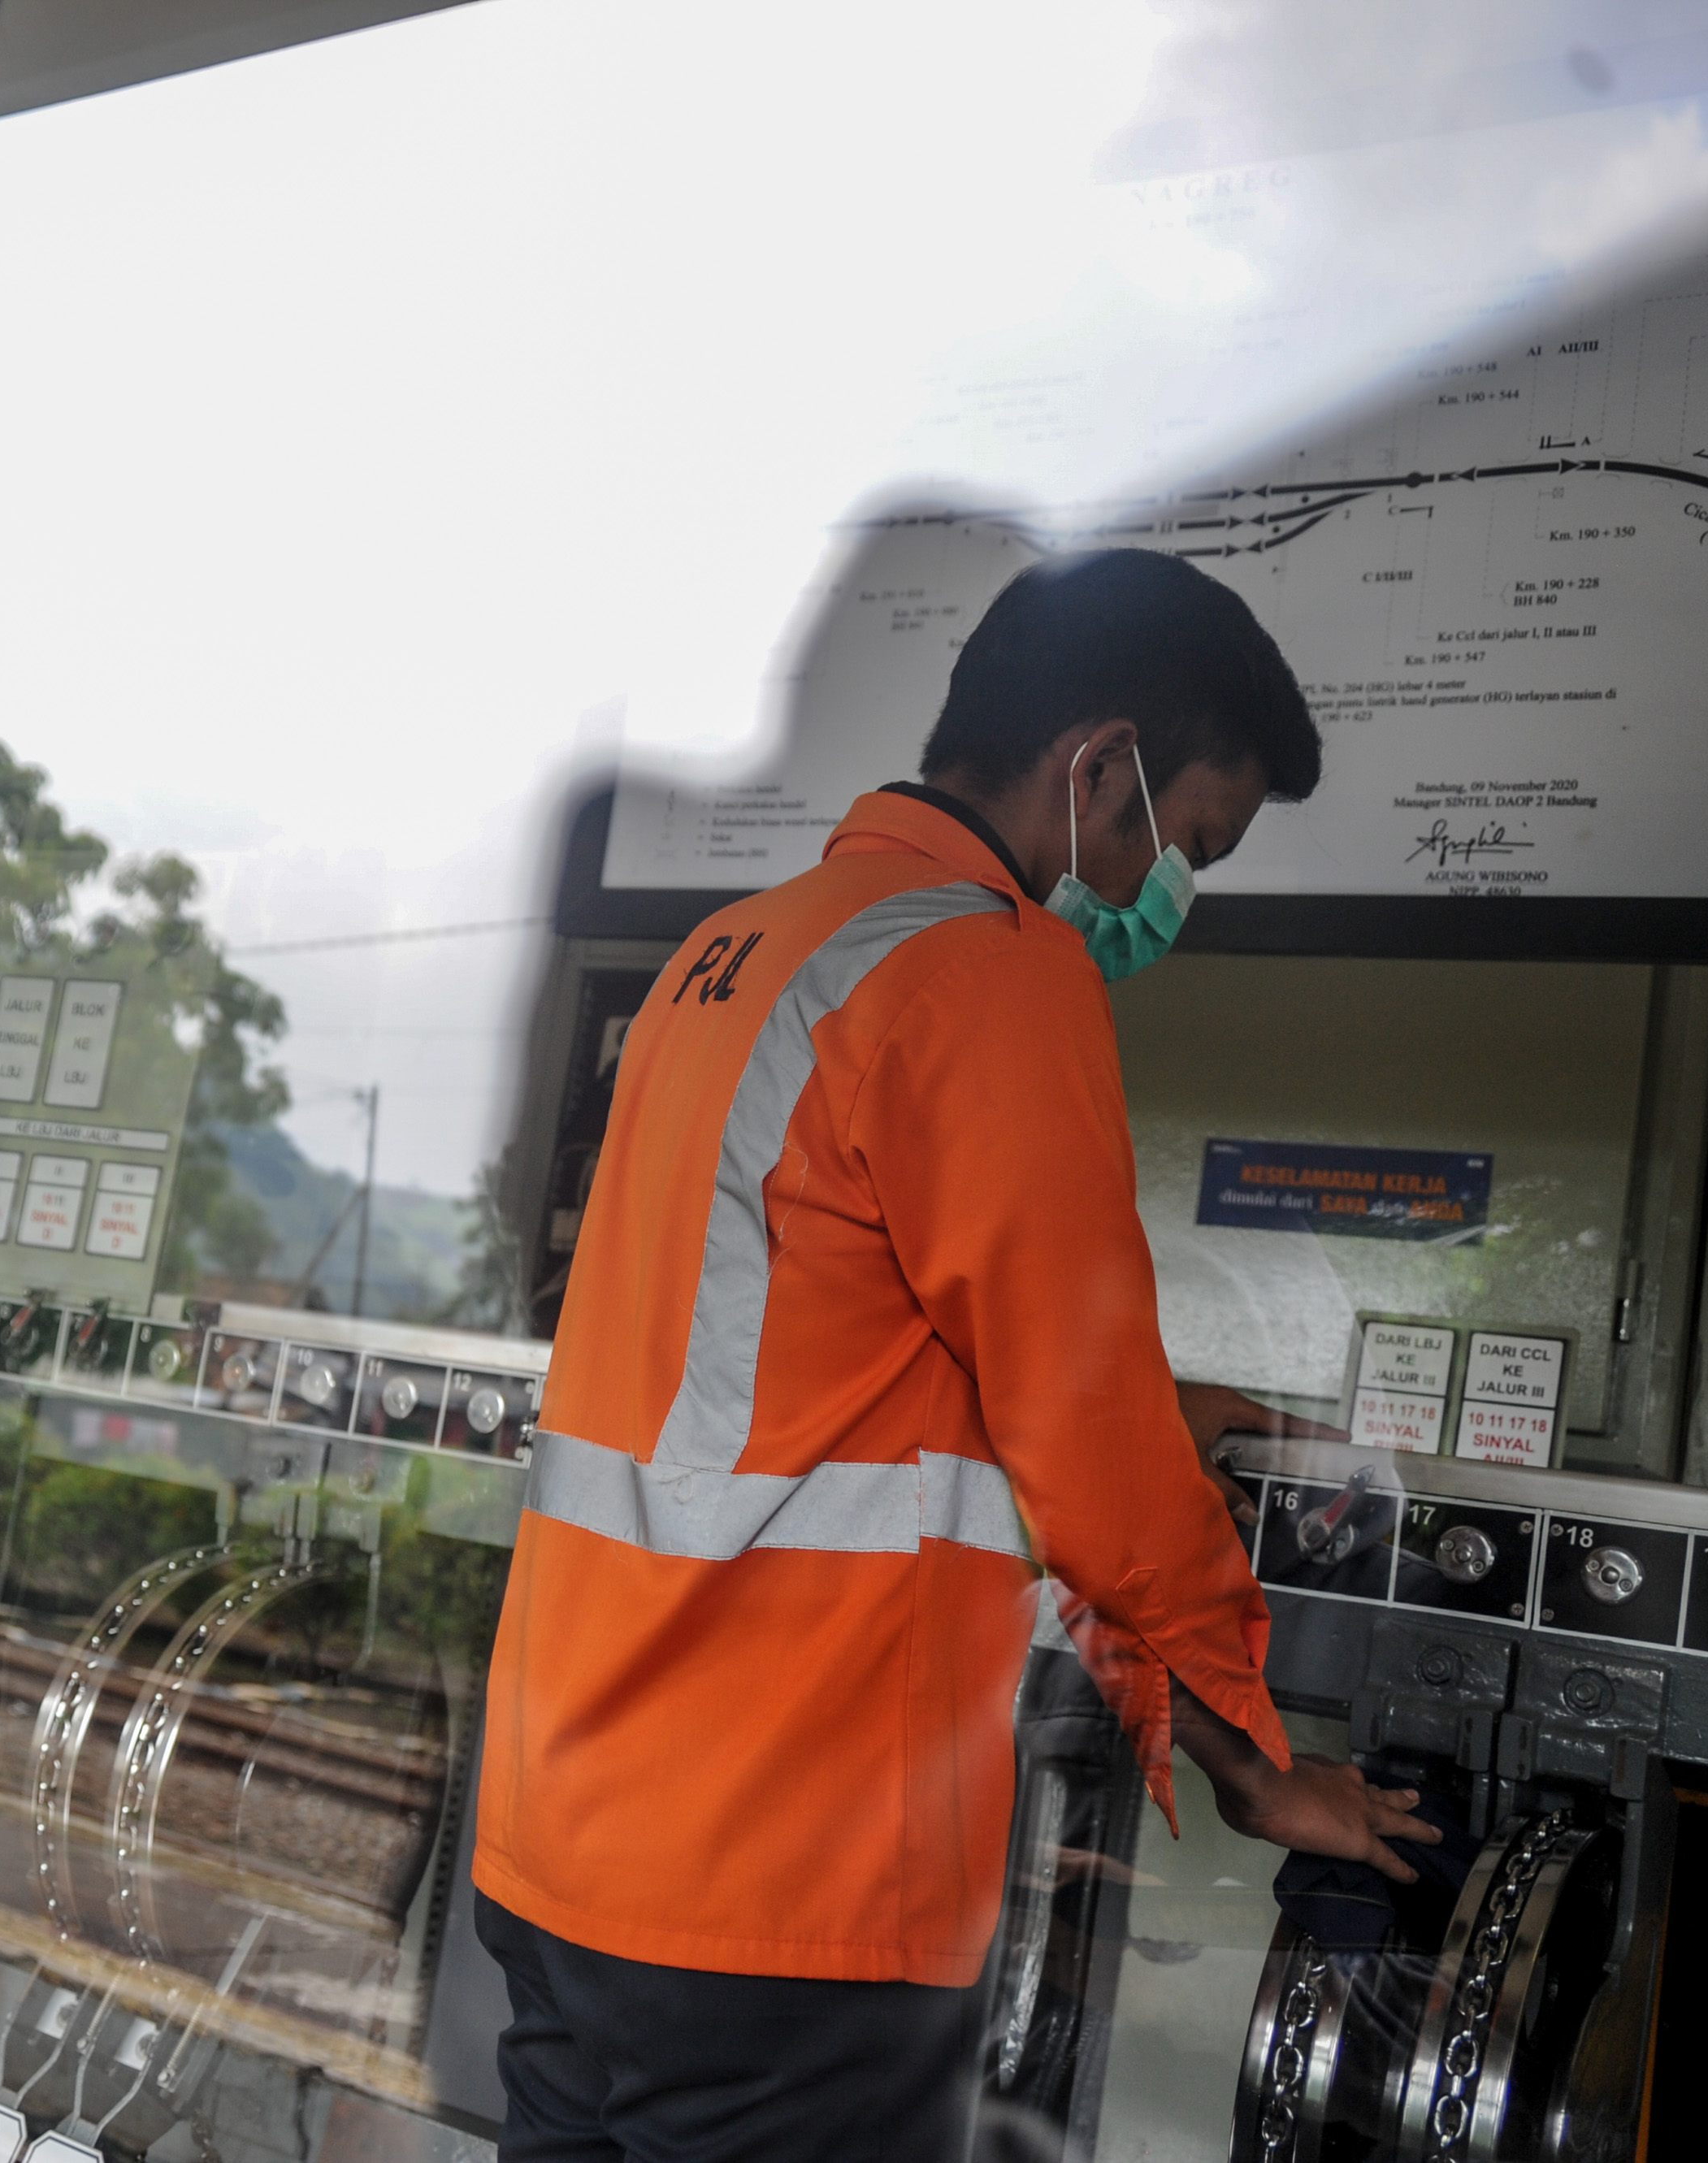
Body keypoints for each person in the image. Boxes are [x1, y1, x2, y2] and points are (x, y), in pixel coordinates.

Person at [470, 548, 1437, 2162]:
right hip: (781, 1881)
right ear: (1097, 765)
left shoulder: (735, 957)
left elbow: (798, 1348)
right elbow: (1094, 1449)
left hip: (569, 1835)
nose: (1154, 889)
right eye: (1177, 841)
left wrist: (1152, 1398)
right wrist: (1257, 1764)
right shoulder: (986, 975)